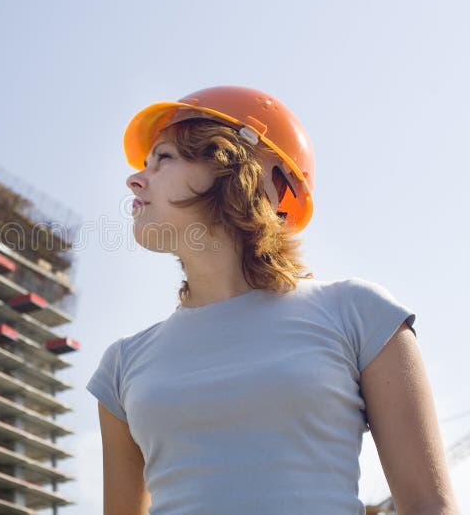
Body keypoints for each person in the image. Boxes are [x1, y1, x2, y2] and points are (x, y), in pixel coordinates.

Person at [86, 86, 459, 515]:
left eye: (163, 159)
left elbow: (430, 508)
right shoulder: (121, 367)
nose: (135, 178)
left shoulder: (358, 315)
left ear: (240, 170)